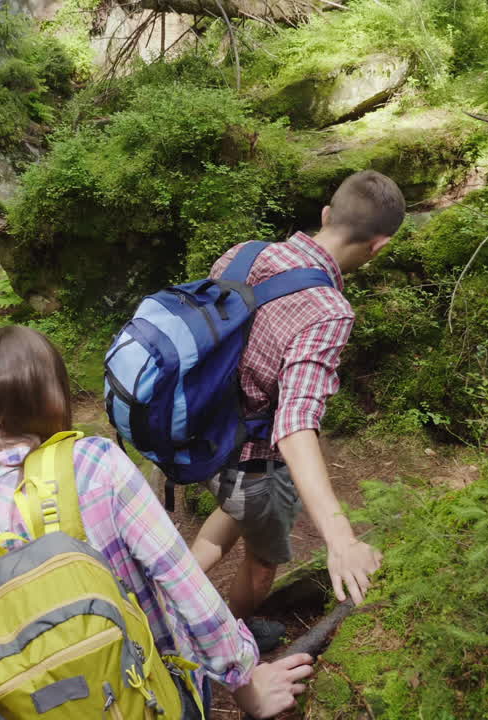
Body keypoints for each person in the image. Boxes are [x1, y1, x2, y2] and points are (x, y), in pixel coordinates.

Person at [0, 325, 314, 720]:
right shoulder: (96, 465)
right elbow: (189, 593)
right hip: (153, 701)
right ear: (53, 399)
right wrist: (247, 684)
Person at [189, 170, 404, 639]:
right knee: (263, 561)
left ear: (327, 214)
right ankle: (238, 634)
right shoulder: (328, 310)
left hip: (203, 438)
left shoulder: (244, 254)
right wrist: (340, 539)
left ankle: (169, 588)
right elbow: (294, 423)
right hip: (254, 462)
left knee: (230, 513)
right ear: (378, 246)